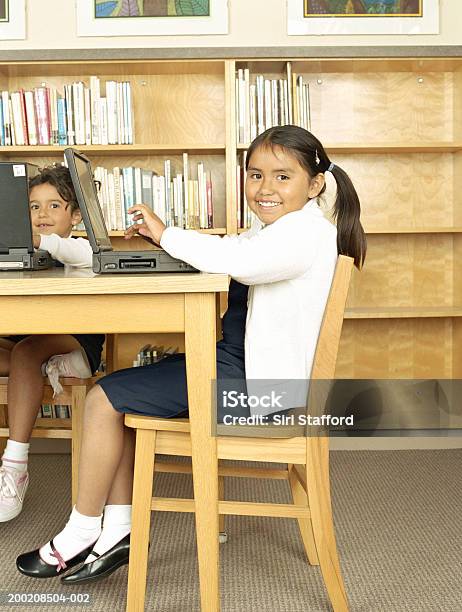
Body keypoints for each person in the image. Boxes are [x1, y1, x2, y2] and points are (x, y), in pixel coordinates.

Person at [16, 125, 366, 582]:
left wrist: (165, 234)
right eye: (255, 175)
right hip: (241, 368)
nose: (265, 188)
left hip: (261, 390)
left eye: (282, 177)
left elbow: (238, 262)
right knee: (117, 394)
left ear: (314, 184)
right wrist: (168, 242)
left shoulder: (304, 233)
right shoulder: (280, 229)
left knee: (105, 398)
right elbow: (233, 250)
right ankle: (118, 532)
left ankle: (82, 530)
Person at [0, 165, 105, 523]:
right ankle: (32, 371)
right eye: (33, 207)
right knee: (24, 351)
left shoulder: (83, 248)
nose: (42, 214)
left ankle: (14, 467)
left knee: (27, 351)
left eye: (54, 206)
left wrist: (41, 242)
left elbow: (77, 255)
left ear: (75, 214)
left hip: (76, 343)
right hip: (28, 339)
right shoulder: (22, 252)